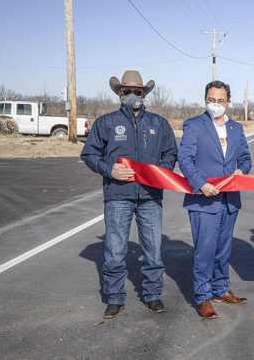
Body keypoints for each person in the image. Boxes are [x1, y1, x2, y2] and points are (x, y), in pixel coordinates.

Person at [81, 70, 177, 319]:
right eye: (127, 91)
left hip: (150, 196)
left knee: (153, 249)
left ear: (144, 94)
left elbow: (170, 153)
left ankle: (153, 294)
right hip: (118, 196)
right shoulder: (106, 122)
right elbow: (89, 155)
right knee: (114, 250)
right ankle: (114, 298)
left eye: (138, 91)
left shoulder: (159, 123)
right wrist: (109, 169)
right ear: (119, 94)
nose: (133, 95)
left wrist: (160, 173)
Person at [177, 80, 251, 319]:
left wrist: (243, 171)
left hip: (229, 201)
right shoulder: (194, 126)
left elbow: (246, 159)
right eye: (211, 100)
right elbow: (185, 160)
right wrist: (201, 184)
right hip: (204, 200)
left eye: (220, 101)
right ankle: (203, 297)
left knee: (223, 250)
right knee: (205, 251)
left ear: (228, 102)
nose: (216, 104)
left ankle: (220, 289)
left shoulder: (237, 129)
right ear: (205, 100)